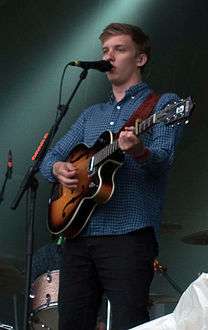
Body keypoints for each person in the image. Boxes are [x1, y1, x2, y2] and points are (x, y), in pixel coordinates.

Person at [40, 23, 182, 330]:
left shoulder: (164, 105)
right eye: (105, 50)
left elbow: (162, 163)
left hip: (128, 235)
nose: (109, 56)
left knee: (129, 322)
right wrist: (56, 169)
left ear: (140, 59)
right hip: (79, 236)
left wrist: (139, 150)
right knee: (71, 323)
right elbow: (48, 157)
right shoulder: (91, 115)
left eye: (120, 49)